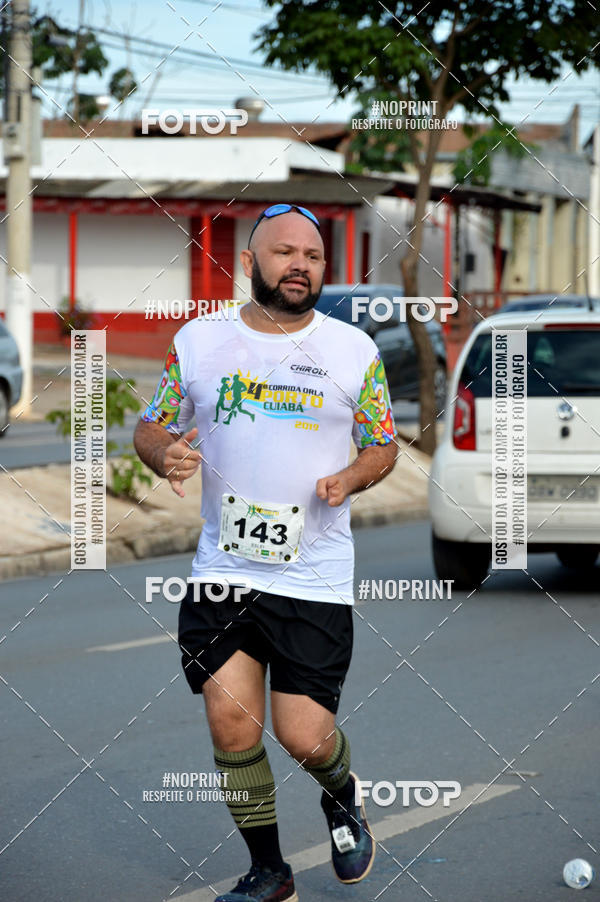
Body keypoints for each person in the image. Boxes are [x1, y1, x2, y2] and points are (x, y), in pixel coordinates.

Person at [134, 203, 397, 901]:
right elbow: (151, 424)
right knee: (229, 724)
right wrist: (167, 455)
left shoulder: (353, 351)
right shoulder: (198, 342)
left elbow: (383, 441)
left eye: (312, 256)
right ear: (250, 262)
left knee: (305, 737)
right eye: (284, 252)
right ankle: (270, 870)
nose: (300, 266)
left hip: (312, 575)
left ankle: (341, 796)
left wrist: (353, 474)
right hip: (223, 568)